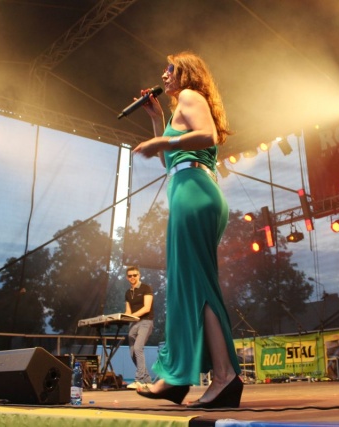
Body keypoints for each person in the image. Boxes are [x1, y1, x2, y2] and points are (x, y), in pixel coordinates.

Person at [132, 51, 243, 408]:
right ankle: (175, 379)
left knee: (197, 286)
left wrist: (162, 141)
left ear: (188, 74)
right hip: (189, 190)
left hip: (194, 192)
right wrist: (158, 121)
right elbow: (169, 162)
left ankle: (224, 376)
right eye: (164, 70)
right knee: (186, 286)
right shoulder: (180, 107)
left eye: (171, 69)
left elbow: (207, 136)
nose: (164, 75)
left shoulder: (192, 96)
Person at [124, 265, 154, 389]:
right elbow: (128, 311)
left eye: (134, 275)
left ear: (139, 275)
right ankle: (147, 380)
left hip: (146, 322)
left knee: (138, 348)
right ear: (127, 278)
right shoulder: (128, 293)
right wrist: (120, 318)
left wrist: (132, 316)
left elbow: (146, 308)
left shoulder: (146, 288)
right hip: (134, 323)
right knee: (132, 352)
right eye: (130, 276)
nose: (132, 277)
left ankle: (139, 380)